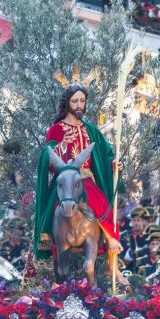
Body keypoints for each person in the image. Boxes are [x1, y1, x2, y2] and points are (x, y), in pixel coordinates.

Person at [34, 84, 123, 259]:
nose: (79, 105)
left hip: (86, 176)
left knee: (104, 207)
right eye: (75, 101)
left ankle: (112, 259)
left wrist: (113, 163)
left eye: (82, 101)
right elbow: (48, 159)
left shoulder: (90, 129)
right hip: (65, 180)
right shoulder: (56, 129)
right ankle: (46, 251)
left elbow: (105, 154)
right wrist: (62, 146)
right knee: (48, 216)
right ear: (67, 103)